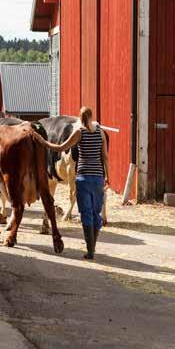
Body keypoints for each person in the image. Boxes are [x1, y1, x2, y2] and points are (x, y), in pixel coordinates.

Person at [32, 107, 109, 260]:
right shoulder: (101, 133)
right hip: (98, 177)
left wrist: (42, 141)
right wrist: (108, 176)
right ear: (91, 116)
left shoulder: (79, 132)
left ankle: (91, 250)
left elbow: (61, 148)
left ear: (80, 118)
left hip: (83, 178)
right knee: (96, 214)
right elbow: (105, 157)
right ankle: (92, 247)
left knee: (86, 214)